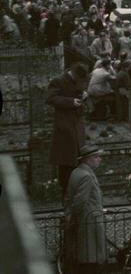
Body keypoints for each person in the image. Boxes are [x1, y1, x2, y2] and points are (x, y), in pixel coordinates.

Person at [64, 143, 107, 274]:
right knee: (91, 253)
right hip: (89, 219)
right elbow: (80, 201)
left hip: (85, 217)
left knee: (84, 252)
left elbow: (70, 198)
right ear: (87, 159)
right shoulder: (87, 176)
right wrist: (75, 216)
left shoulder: (76, 172)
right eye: (96, 157)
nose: (99, 160)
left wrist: (69, 214)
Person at [47, 62, 88, 195]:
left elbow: (79, 92)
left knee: (77, 158)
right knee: (66, 161)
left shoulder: (77, 80)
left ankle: (76, 192)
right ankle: (66, 194)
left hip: (77, 124)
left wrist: (83, 96)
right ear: (74, 74)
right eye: (79, 79)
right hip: (65, 126)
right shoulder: (58, 81)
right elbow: (51, 98)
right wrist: (70, 102)